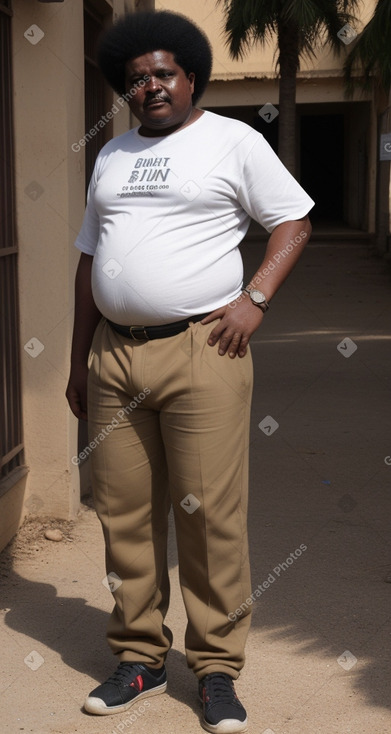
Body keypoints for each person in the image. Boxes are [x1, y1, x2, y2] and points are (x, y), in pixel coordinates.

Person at [66, 9, 314, 734]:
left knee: (208, 517)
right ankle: (140, 655)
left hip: (204, 349)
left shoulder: (232, 141)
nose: (149, 86)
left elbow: (291, 222)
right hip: (113, 352)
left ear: (190, 76)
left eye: (162, 73)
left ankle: (214, 669)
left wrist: (254, 299)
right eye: (136, 77)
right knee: (123, 516)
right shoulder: (110, 155)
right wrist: (82, 355)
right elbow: (89, 258)